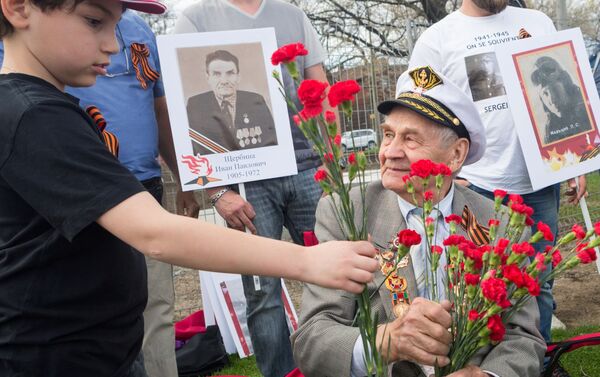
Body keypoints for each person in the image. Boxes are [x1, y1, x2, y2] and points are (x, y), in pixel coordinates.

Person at [0, 1, 379, 376]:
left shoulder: (48, 107)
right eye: (94, 21)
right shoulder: (35, 117)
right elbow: (155, 232)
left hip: (94, 346)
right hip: (53, 357)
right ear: (18, 9)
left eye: (115, 26)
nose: (113, 45)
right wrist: (308, 261)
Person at [291, 67, 545, 377]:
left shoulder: (500, 225)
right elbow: (312, 339)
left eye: (411, 140)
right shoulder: (346, 213)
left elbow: (523, 337)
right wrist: (386, 342)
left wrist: (487, 375)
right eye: (388, 134)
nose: (389, 152)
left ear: (455, 155)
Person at [408, 0, 587, 344]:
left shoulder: (537, 22)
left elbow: (567, 95)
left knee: (539, 284)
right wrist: (447, 173)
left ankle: (540, 358)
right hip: (475, 187)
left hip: (538, 184)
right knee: (478, 288)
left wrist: (577, 161)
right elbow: (419, 112)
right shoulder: (436, 40)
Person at [174, 1, 334, 376]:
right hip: (244, 182)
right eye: (218, 73)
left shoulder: (293, 15)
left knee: (336, 274)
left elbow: (319, 85)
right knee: (262, 295)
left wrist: (332, 154)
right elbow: (181, 120)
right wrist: (216, 192)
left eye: (231, 71)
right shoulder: (195, 20)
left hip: (306, 167)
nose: (225, 78)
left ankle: (346, 362)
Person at [64, 10, 201, 377]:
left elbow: (160, 109)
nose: (106, 41)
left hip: (145, 186)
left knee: (156, 306)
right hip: (82, 191)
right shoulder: (52, 24)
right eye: (96, 22)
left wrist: (184, 178)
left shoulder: (139, 26)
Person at [187, 49, 277, 155]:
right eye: (216, 74)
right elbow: (193, 149)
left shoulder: (256, 100)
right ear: (208, 78)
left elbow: (272, 144)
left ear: (238, 77)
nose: (224, 81)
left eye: (230, 73)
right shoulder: (195, 105)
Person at [530, 56, 592, 144]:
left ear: (567, 87)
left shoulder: (590, 111)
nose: (552, 100)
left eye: (555, 90)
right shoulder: (549, 129)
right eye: (545, 94)